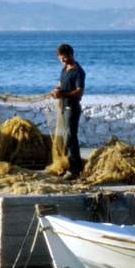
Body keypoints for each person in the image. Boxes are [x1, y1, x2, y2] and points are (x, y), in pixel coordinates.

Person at [50, 44, 85, 180]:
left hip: (72, 107)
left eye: (64, 58)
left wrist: (62, 95)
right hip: (64, 107)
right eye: (60, 59)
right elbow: (61, 84)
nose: (62, 61)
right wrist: (56, 90)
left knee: (70, 138)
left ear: (70, 55)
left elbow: (79, 92)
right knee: (67, 137)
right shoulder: (64, 70)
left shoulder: (79, 71)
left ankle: (74, 170)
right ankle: (73, 167)